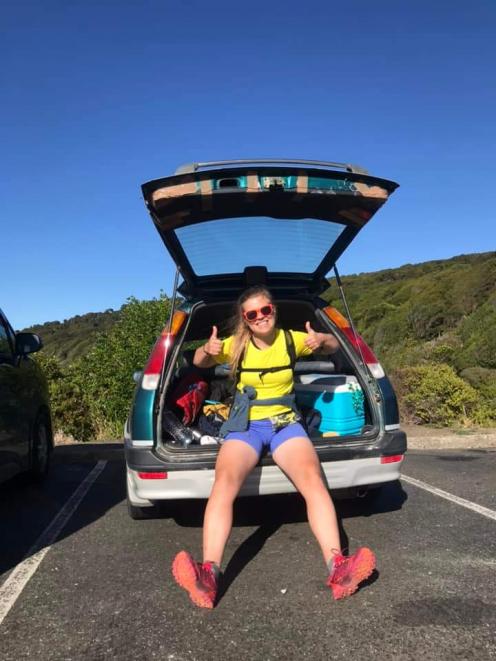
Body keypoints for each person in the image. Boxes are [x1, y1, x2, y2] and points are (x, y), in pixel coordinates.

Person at [171, 286, 376, 608]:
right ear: (245, 320)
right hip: (246, 426)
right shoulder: (234, 346)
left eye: (265, 310)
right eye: (252, 314)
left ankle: (338, 566)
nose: (260, 317)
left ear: (273, 310)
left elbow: (336, 346)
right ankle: (208, 574)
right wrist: (207, 351)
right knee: (224, 484)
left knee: (312, 481)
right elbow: (198, 360)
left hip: (285, 425)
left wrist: (323, 341)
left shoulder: (293, 339)